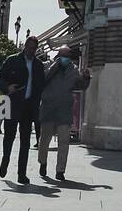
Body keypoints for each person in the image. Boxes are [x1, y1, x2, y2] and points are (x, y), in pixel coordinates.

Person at [0, 36, 46, 185]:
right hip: (11, 104)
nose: (30, 50)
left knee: (25, 141)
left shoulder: (38, 65)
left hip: (29, 107)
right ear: (25, 47)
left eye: (33, 48)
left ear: (36, 49)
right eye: (28, 47)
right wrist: (7, 87)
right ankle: (5, 160)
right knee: (9, 137)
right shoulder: (12, 60)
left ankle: (21, 173)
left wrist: (38, 101)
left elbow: (41, 84)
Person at [37, 46, 90, 182]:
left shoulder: (73, 69)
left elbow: (81, 86)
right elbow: (43, 78)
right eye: (64, 55)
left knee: (64, 142)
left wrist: (86, 78)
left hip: (64, 110)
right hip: (48, 108)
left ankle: (60, 170)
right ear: (58, 55)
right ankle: (43, 162)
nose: (66, 58)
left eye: (68, 56)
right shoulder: (48, 65)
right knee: (44, 140)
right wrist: (56, 65)